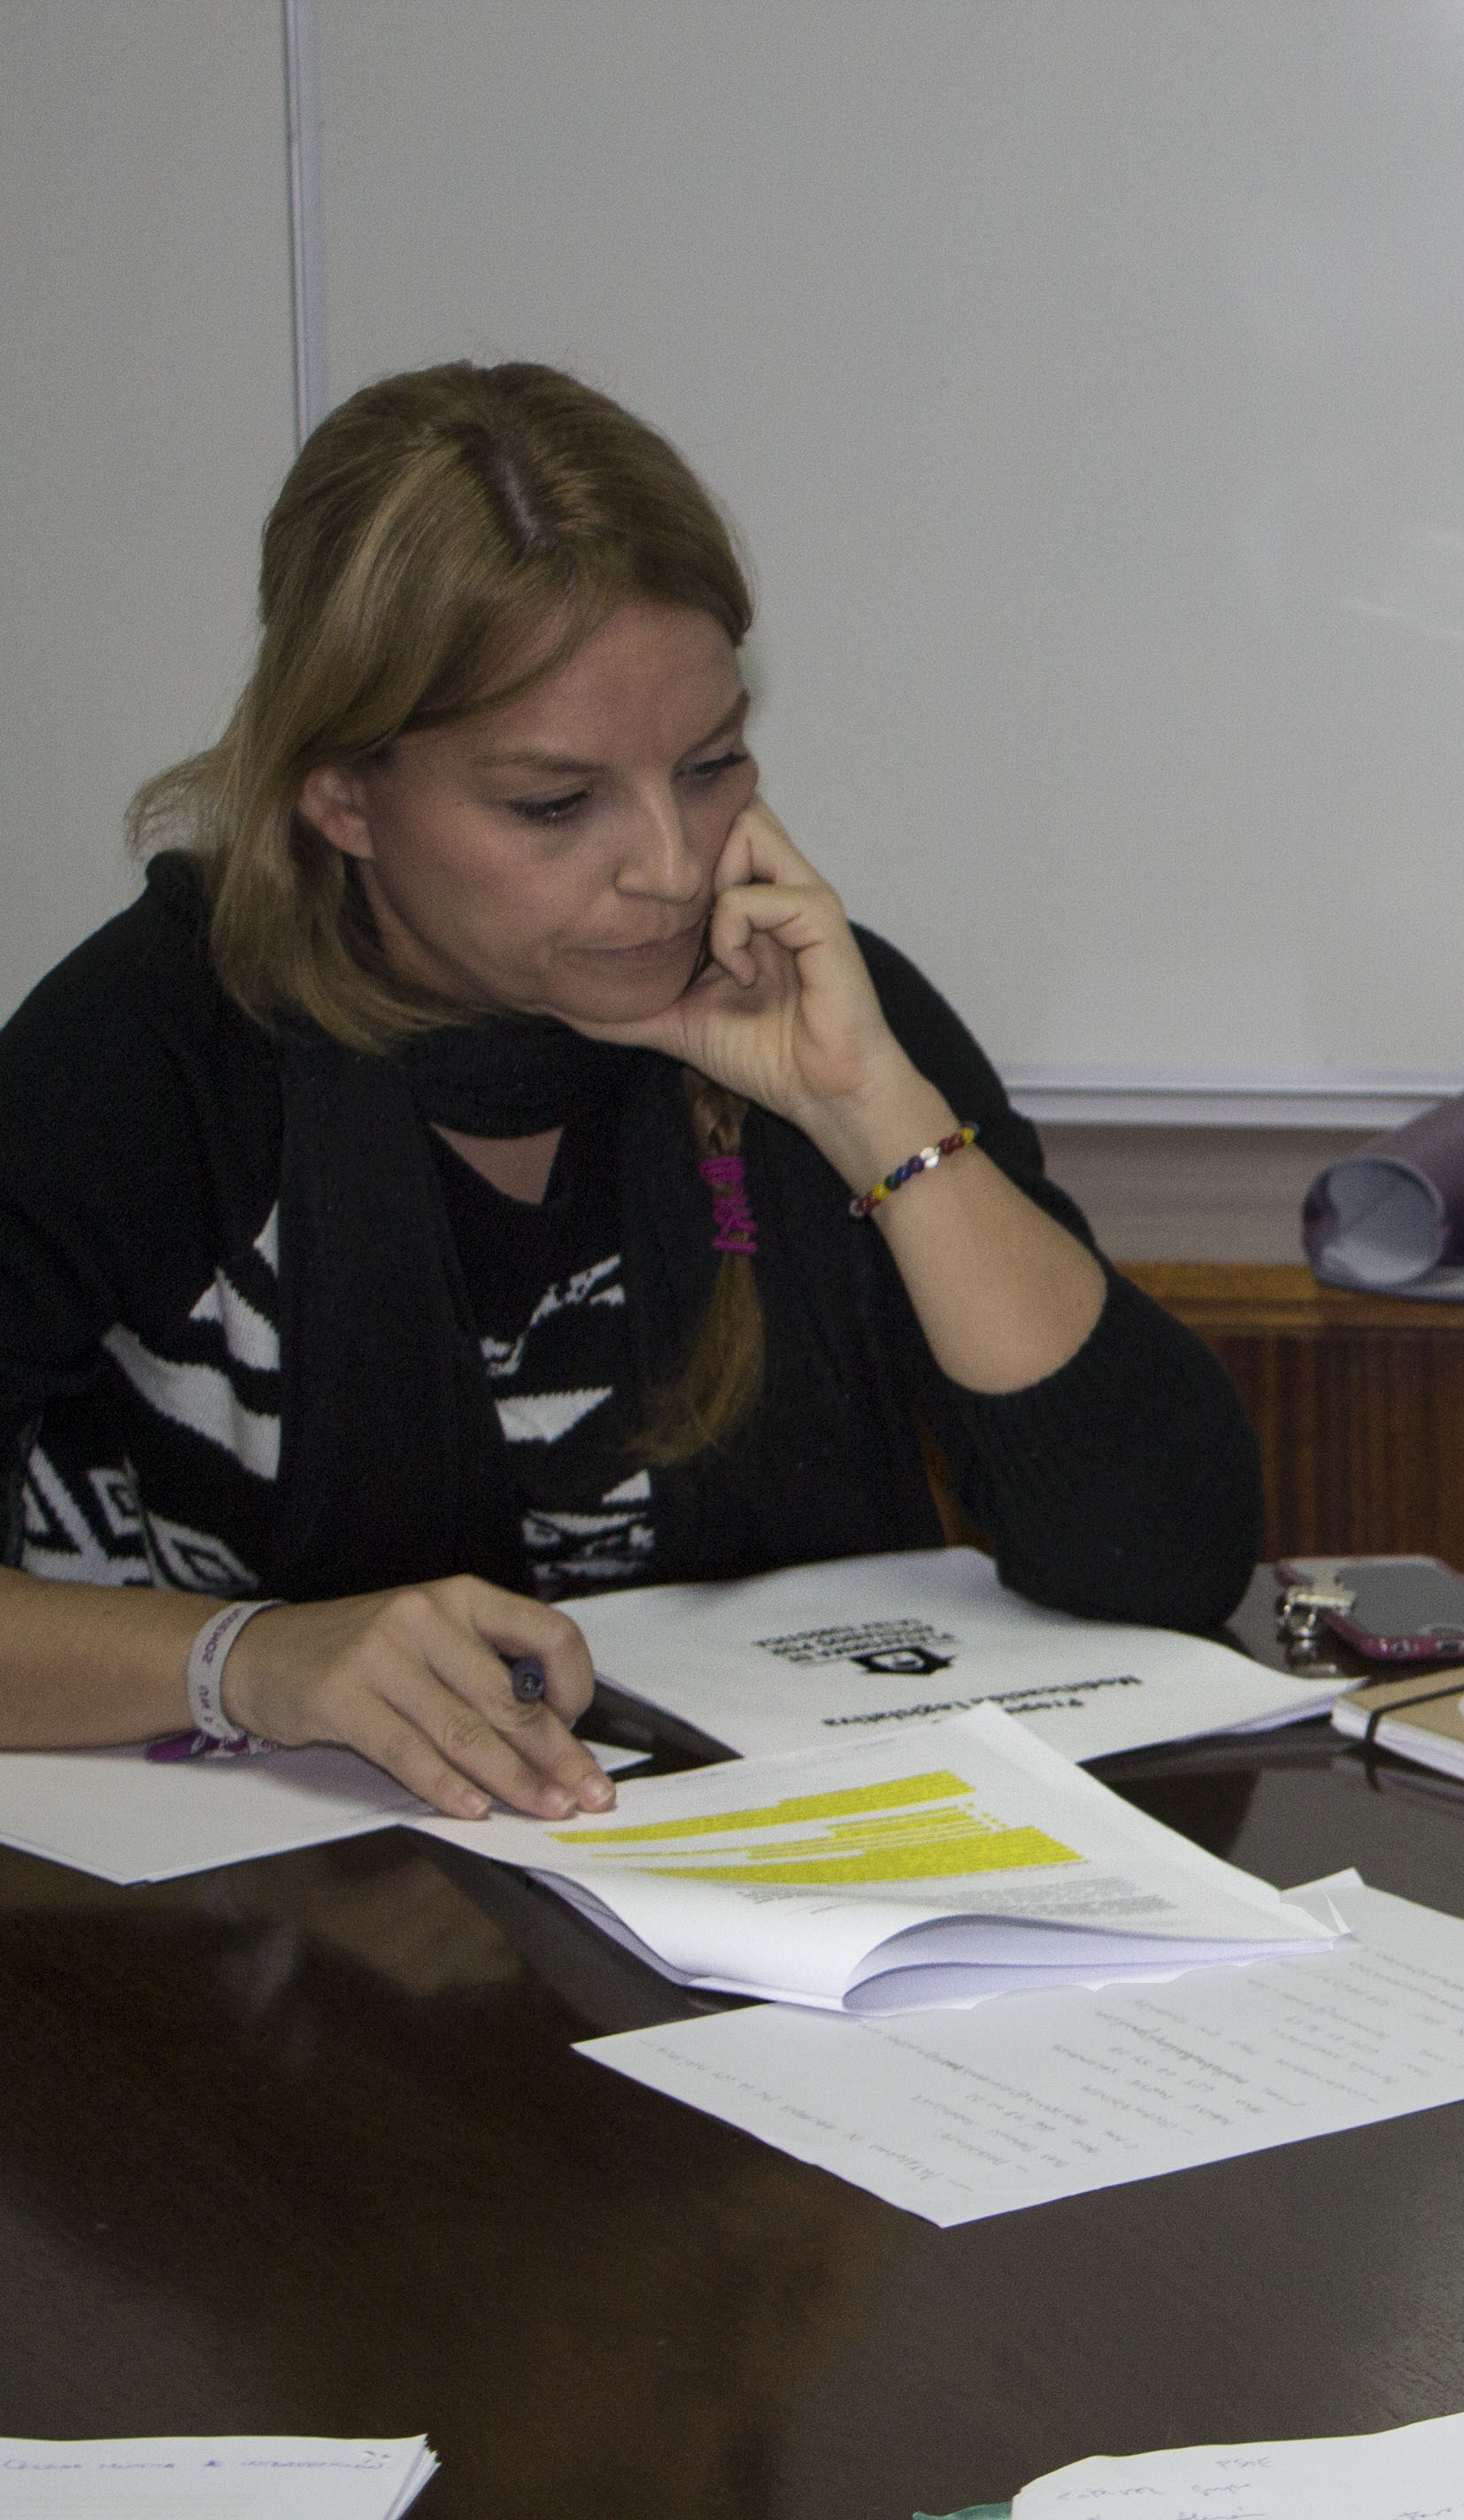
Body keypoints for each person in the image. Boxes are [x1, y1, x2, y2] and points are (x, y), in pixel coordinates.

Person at [0, 362, 1262, 1824]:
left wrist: (873, 1116)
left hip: (757, 1913)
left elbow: (1162, 1557)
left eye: (714, 763)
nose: (670, 865)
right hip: (273, 1952)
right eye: (555, 804)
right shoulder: (150, 1055)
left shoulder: (803, 994)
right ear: (342, 797)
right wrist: (250, 1660)